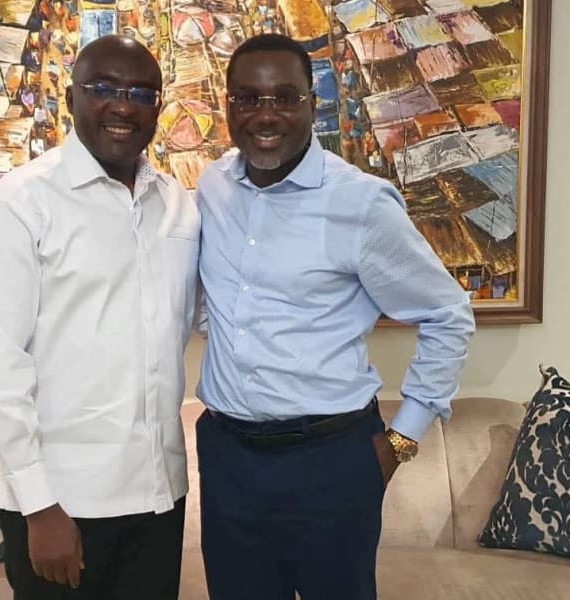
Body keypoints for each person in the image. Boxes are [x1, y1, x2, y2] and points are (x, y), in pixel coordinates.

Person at [195, 34, 475, 600]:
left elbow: (448, 314)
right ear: (228, 105)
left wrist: (403, 440)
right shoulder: (212, 187)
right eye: (247, 99)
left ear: (312, 103)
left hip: (330, 460)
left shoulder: (361, 204)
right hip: (227, 458)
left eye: (284, 98)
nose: (265, 115)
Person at [0, 35, 200, 600]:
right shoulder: (18, 206)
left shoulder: (178, 205)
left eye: (141, 92)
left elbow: (203, 315)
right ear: (71, 98)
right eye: (104, 89)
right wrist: (39, 508)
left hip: (159, 496)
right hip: (62, 505)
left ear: (158, 108)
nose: (123, 105)